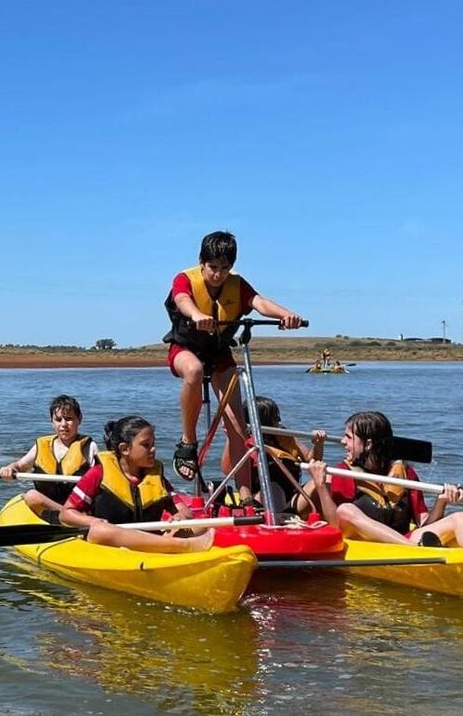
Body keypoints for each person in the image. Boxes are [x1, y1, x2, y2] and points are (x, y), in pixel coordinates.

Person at [163, 231, 303, 484]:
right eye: (213, 267)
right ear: (201, 262)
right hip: (184, 349)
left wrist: (287, 314)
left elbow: (259, 302)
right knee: (193, 371)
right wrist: (196, 315)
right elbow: (182, 299)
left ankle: (246, 495)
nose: (218, 275)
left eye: (224, 269)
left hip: (219, 353)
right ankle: (188, 441)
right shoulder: (184, 279)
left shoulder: (237, 284)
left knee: (237, 427)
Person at [303, 411, 463, 548]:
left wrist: (442, 502)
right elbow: (335, 525)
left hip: (407, 540)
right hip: (369, 544)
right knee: (345, 510)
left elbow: (424, 525)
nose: (343, 442)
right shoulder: (344, 472)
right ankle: (412, 549)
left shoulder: (406, 474)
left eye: (349, 437)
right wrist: (320, 485)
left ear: (368, 444)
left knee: (462, 517)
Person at [57, 416, 214, 553]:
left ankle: (175, 545)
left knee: (200, 525)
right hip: (112, 543)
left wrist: (180, 517)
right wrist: (92, 521)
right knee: (98, 531)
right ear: (124, 449)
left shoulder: (155, 476)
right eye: (146, 445)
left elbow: (184, 511)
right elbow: (66, 513)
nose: (153, 450)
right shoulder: (98, 473)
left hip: (150, 538)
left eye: (153, 444)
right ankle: (182, 546)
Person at [0, 395, 99, 514]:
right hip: (48, 508)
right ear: (52, 421)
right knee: (32, 496)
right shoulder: (41, 446)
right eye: (58, 420)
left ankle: (72, 515)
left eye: (69, 419)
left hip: (79, 509)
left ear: (79, 419)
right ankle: (67, 514)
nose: (63, 424)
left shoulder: (89, 447)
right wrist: (10, 468)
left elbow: (101, 480)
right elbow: (20, 466)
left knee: (31, 495)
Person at [248, 396, 320, 516]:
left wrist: (318, 445)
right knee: (273, 487)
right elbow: (227, 469)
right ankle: (279, 521)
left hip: (291, 499)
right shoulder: (246, 441)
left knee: (320, 482)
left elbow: (310, 459)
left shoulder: (285, 436)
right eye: (274, 417)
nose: (278, 421)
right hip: (262, 497)